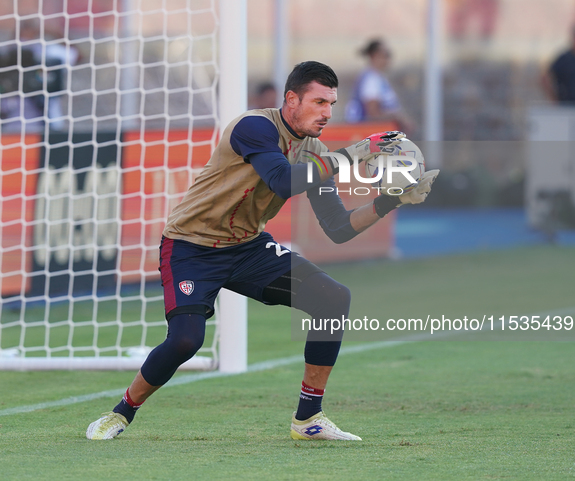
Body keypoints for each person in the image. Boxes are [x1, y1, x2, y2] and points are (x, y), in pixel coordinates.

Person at [86, 61, 439, 441]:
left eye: (331, 104)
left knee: (333, 298)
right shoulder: (254, 126)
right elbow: (283, 181)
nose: (327, 113)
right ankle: (121, 413)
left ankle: (308, 419)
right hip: (191, 246)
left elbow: (337, 228)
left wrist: (390, 201)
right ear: (291, 99)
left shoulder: (314, 151)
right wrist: (354, 154)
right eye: (319, 102)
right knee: (186, 340)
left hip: (247, 247)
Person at [345, 39, 415, 133]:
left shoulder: (378, 78)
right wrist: (399, 118)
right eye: (385, 55)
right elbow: (373, 113)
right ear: (374, 56)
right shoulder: (371, 79)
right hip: (373, 133)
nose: (387, 60)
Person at [542, 25, 575, 106]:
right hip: (566, 107)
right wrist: (554, 99)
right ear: (574, 38)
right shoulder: (564, 59)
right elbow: (545, 78)